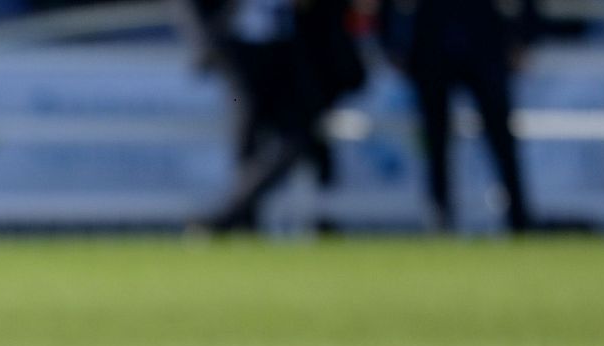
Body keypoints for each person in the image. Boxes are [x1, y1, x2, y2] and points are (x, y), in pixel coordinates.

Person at [183, 0, 364, 234]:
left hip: (288, 52)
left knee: (298, 135)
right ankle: (244, 223)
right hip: (239, 52)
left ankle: (229, 216)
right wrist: (208, 44)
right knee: (247, 136)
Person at [377, 0, 539, 232]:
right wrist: (391, 41)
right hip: (432, 40)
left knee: (501, 138)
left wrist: (524, 36)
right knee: (436, 141)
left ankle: (519, 220)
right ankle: (441, 218)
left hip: (483, 40)